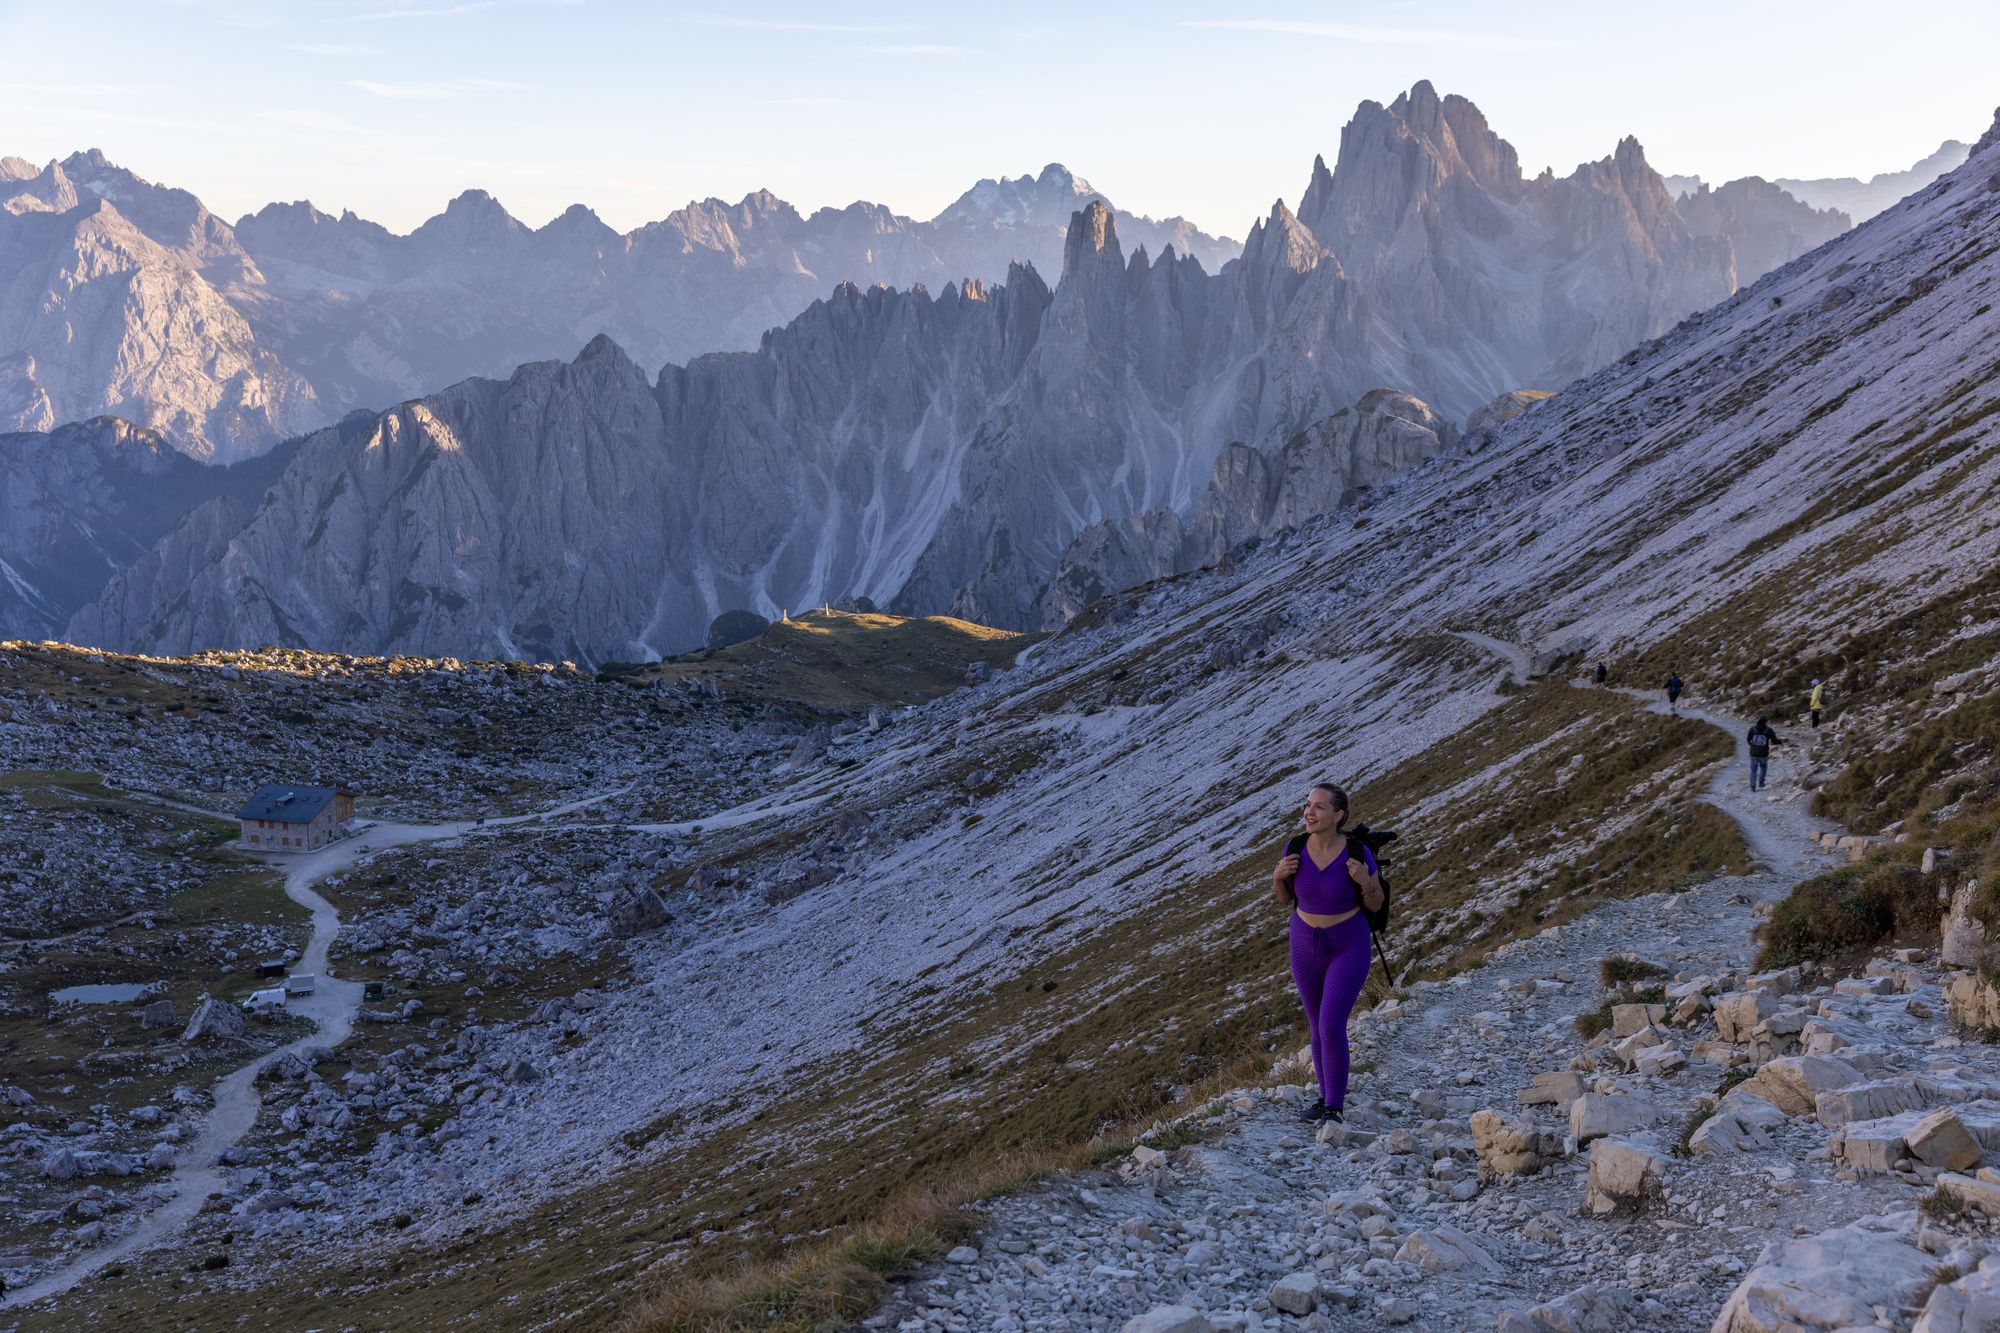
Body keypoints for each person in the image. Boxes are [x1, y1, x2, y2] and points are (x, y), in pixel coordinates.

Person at [1272, 783, 1384, 1124]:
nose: (1310, 812)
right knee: (1315, 1025)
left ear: (1338, 815)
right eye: (1308, 804)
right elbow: (1283, 898)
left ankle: (1334, 1107)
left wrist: (1365, 881)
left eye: (1319, 807)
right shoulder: (1294, 847)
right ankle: (1324, 1098)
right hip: (1303, 942)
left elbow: (1376, 903)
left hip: (1348, 944)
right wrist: (1277, 878)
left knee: (1331, 1023)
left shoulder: (1356, 851)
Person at [1747, 715, 1784, 791]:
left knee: (1753, 769)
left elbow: (1748, 739)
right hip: (1763, 753)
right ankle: (1761, 781)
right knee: (1763, 767)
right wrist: (1780, 742)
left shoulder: (1752, 729)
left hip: (1753, 753)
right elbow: (1774, 741)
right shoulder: (1768, 730)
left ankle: (1753, 786)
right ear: (1766, 721)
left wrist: (1751, 745)